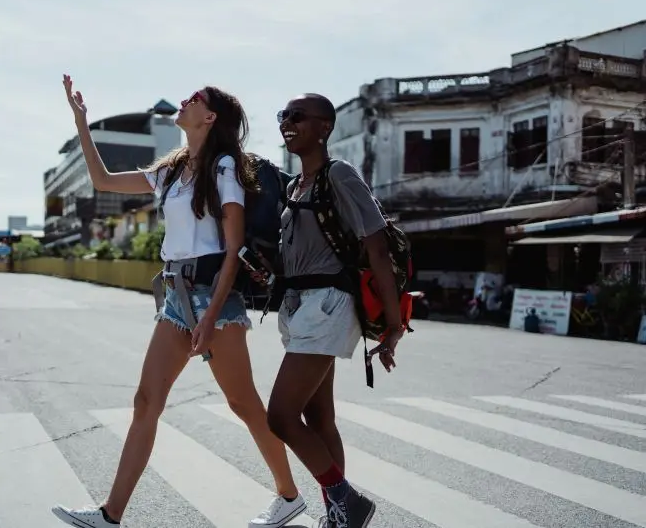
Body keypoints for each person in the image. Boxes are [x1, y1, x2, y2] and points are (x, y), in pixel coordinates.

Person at [51, 75, 306, 528]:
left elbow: (233, 248)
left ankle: (289, 496)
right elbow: (102, 180)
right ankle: (111, 514)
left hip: (216, 299)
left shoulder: (224, 167)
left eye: (196, 99)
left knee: (244, 404)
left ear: (209, 117)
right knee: (146, 400)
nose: (186, 100)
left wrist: (210, 316)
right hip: (175, 297)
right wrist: (81, 122)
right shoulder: (171, 170)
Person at [262, 94, 405, 528]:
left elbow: (377, 247)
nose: (288, 123)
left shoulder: (339, 174)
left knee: (280, 416)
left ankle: (347, 501)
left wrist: (394, 325)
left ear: (324, 128)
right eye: (283, 115)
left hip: (328, 304)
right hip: (298, 305)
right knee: (317, 417)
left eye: (298, 117)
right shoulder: (293, 187)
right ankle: (338, 517)